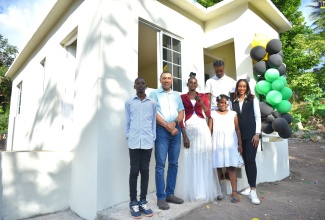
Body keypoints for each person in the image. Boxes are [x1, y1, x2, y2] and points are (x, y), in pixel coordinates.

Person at [180, 74, 222, 202]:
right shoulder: (182, 97)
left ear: (197, 85)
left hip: (202, 129)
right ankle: (192, 190)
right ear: (187, 84)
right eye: (190, 83)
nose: (193, 84)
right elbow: (180, 116)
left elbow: (208, 113)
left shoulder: (203, 96)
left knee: (203, 158)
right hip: (189, 129)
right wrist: (184, 135)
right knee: (190, 158)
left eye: (195, 83)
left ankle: (203, 190)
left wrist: (200, 102)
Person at [149, 72, 185, 210]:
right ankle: (161, 197)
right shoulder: (154, 94)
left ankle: (170, 194)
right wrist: (168, 126)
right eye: (164, 78)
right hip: (162, 131)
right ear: (160, 80)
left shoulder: (176, 95)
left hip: (176, 131)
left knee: (174, 163)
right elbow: (154, 113)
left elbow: (181, 112)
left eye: (169, 78)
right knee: (160, 165)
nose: (167, 80)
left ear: (172, 80)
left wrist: (175, 123)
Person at [125, 77, 156, 219]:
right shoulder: (129, 103)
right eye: (138, 83)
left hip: (147, 141)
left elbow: (153, 122)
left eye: (143, 83)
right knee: (134, 170)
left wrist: (152, 137)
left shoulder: (152, 103)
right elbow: (127, 121)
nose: (140, 85)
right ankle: (133, 202)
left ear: (146, 85)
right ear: (134, 86)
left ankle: (143, 201)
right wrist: (129, 136)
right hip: (134, 141)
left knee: (145, 170)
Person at [232, 79, 262, 205]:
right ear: (237, 87)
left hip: (251, 136)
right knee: (245, 160)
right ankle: (250, 186)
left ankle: (253, 191)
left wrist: (257, 134)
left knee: (250, 160)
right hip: (238, 137)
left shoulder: (252, 99)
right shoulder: (232, 101)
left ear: (247, 87)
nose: (242, 88)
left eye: (244, 86)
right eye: (240, 86)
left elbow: (257, 117)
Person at [209, 94, 243, 203]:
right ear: (217, 103)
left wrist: (240, 144)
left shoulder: (233, 114)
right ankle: (217, 191)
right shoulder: (213, 114)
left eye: (224, 103)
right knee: (217, 167)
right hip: (217, 143)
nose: (222, 105)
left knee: (231, 167)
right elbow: (210, 130)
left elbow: (237, 129)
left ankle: (234, 191)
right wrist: (208, 144)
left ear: (227, 103)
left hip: (230, 143)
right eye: (220, 102)